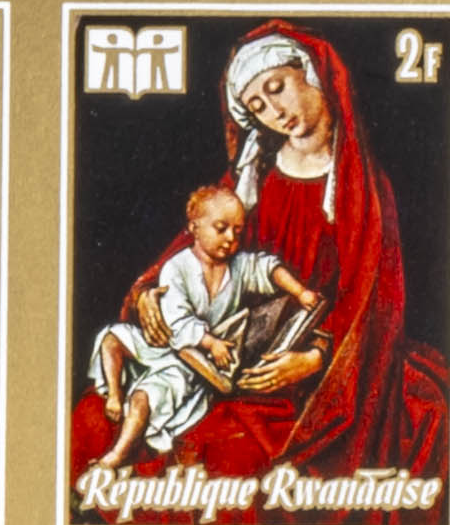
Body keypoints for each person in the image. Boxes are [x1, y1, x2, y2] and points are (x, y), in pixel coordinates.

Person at [66, 22, 449, 510]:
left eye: (277, 87)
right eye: (257, 106)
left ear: (311, 73)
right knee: (93, 415)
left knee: (236, 462)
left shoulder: (363, 188)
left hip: (316, 372)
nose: (274, 111)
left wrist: (314, 359)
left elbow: (372, 300)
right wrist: (149, 295)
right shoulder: (253, 175)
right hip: (230, 350)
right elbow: (191, 247)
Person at [83, 185, 323, 476]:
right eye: (221, 229)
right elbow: (178, 322)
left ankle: (116, 455)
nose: (231, 239)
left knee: (143, 399)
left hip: (188, 363)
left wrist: (299, 292)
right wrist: (212, 343)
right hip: (165, 343)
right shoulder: (176, 268)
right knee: (111, 337)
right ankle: (113, 394)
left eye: (237, 231)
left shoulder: (238, 266)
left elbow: (267, 268)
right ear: (194, 227)